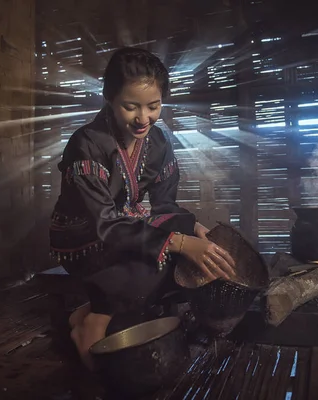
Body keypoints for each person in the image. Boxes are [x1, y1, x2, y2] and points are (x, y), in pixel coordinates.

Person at [49, 47, 236, 370]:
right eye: (130, 106)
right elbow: (104, 224)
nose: (143, 118)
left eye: (154, 106)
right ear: (109, 98)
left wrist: (191, 229)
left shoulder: (159, 143)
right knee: (160, 259)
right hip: (83, 235)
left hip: (122, 225)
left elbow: (163, 206)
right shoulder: (86, 143)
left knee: (182, 262)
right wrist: (178, 242)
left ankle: (89, 309)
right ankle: (92, 325)